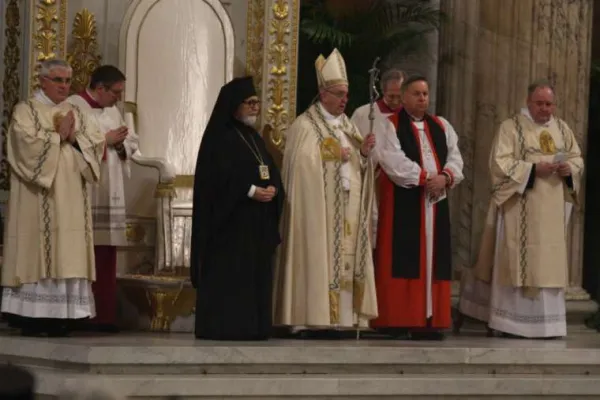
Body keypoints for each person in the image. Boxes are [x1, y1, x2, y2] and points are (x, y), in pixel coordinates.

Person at [457, 80, 584, 339]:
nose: (545, 109)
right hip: (520, 208)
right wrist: (533, 170)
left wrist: (569, 169)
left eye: (549, 104)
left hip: (551, 210)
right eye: (540, 103)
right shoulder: (511, 127)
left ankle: (549, 325)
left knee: (548, 262)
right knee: (517, 260)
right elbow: (499, 164)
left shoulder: (562, 128)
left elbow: (576, 157)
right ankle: (511, 324)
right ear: (528, 102)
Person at [273, 48, 378, 338]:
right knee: (318, 257)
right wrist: (332, 153)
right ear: (323, 94)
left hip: (347, 207)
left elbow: (356, 165)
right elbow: (300, 166)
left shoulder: (347, 125)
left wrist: (363, 155)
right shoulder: (305, 126)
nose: (345, 99)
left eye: (346, 94)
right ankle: (311, 317)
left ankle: (343, 318)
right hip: (318, 211)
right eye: (339, 93)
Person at [0, 59, 105, 337]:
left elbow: (95, 143)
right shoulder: (26, 110)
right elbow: (22, 145)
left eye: (68, 81)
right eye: (58, 80)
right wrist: (56, 138)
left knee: (67, 250)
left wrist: (75, 140)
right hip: (39, 197)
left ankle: (64, 315)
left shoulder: (76, 112)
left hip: (71, 196)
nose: (64, 86)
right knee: (39, 250)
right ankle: (33, 316)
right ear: (42, 81)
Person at [190, 76, 284, 340]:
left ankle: (255, 327)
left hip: (256, 223)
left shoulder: (254, 138)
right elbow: (215, 179)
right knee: (231, 276)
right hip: (229, 225)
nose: (255, 107)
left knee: (254, 277)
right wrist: (251, 191)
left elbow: (270, 169)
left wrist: (274, 189)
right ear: (234, 105)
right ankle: (228, 327)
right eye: (249, 103)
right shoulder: (219, 138)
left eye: (257, 102)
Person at [371, 75, 464, 340]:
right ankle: (400, 318)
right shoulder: (389, 125)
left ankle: (430, 320)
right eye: (416, 94)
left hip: (436, 202)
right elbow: (392, 161)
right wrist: (426, 179)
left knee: (435, 260)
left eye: (425, 93)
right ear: (403, 97)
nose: (422, 98)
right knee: (404, 257)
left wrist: (445, 177)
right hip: (406, 200)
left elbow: (456, 157)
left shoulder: (441, 126)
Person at [68, 65, 138, 332]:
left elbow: (131, 141)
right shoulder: (74, 106)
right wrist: (105, 141)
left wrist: (121, 145)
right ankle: (84, 315)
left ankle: (105, 315)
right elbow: (70, 144)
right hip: (88, 188)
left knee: (107, 251)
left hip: (111, 188)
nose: (118, 98)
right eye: (115, 92)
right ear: (100, 88)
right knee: (85, 251)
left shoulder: (112, 110)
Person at [351, 68, 406, 246]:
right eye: (391, 96)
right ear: (382, 91)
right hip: (372, 184)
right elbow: (350, 150)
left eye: (400, 96)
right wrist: (363, 151)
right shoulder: (363, 114)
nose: (396, 102)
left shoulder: (411, 117)